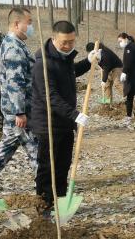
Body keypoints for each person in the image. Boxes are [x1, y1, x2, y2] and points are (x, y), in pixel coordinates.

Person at [30, 21, 97, 213]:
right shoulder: (43, 63)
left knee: (63, 165)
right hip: (48, 124)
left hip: (65, 123)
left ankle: (59, 202)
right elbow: (50, 96)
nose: (68, 46)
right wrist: (75, 115)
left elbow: (69, 73)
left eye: (72, 41)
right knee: (47, 167)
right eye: (64, 42)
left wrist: (88, 61)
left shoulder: (63, 58)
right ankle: (43, 206)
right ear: (53, 39)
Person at [0, 7, 39, 184]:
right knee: (35, 148)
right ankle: (46, 182)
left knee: (9, 144)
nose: (31, 26)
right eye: (29, 23)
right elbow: (14, 83)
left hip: (18, 109)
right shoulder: (13, 49)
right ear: (17, 24)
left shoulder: (14, 43)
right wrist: (20, 111)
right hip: (19, 110)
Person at [85, 41, 122, 105]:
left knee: (117, 83)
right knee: (106, 86)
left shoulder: (104, 53)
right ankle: (108, 102)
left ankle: (129, 96)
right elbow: (103, 66)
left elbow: (106, 67)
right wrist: (104, 81)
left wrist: (103, 80)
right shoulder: (96, 54)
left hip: (116, 67)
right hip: (107, 69)